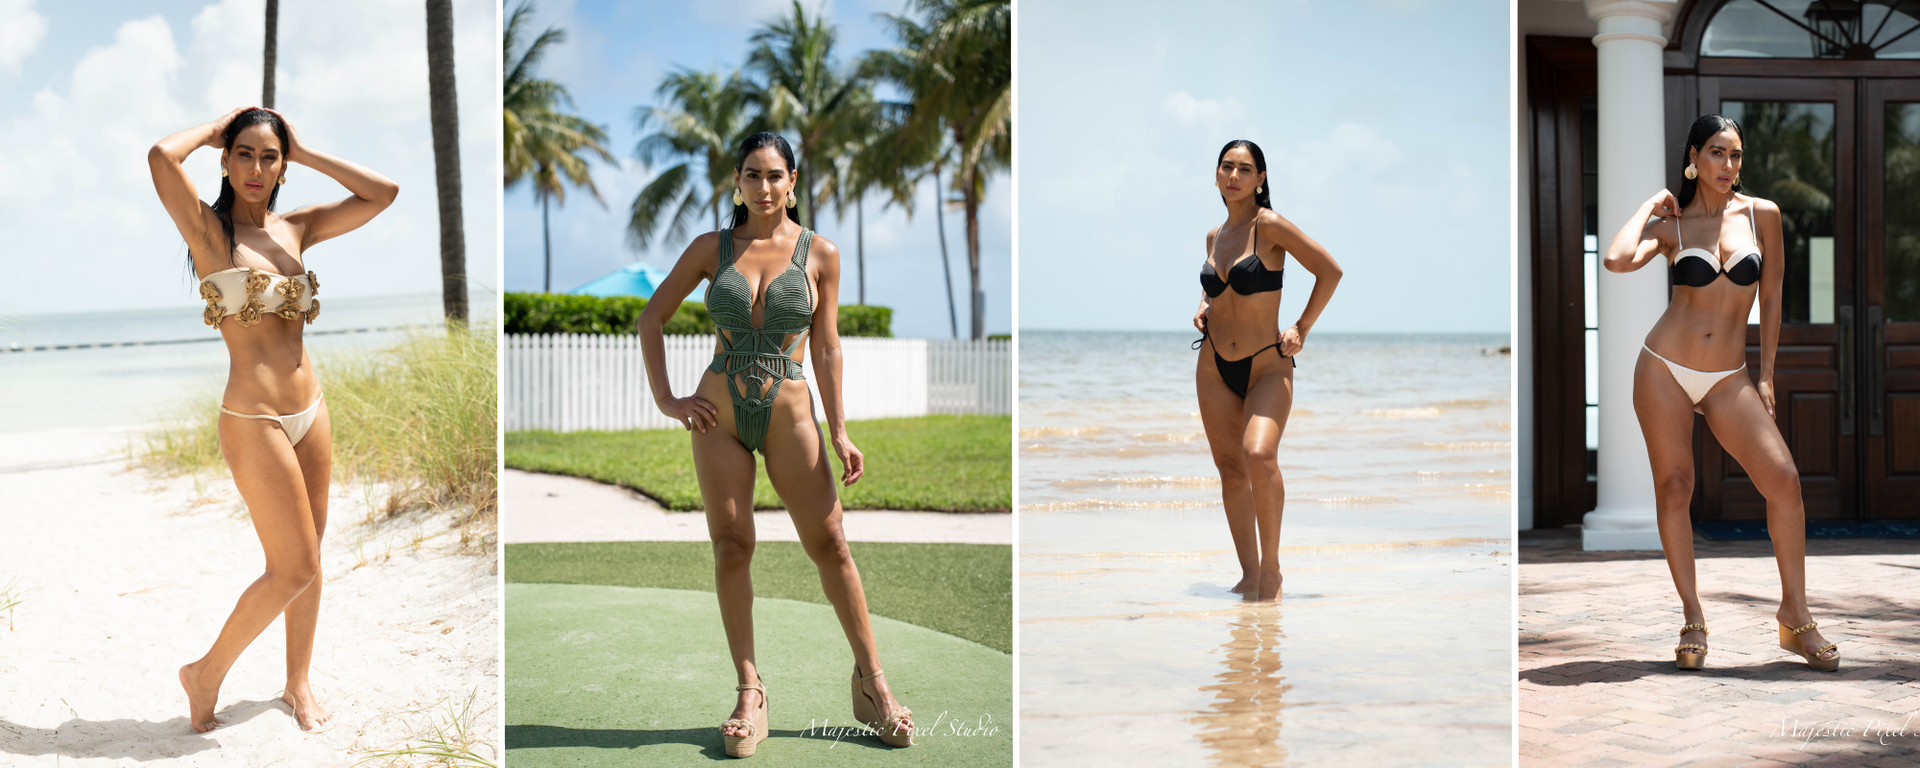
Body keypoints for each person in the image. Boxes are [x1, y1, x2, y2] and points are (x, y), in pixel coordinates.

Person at [638, 132, 914, 756]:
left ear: (794, 181)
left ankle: (873, 685)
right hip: (720, 419)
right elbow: (650, 317)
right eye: (752, 176)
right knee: (732, 546)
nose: (764, 188)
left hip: (791, 416)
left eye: (775, 176)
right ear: (736, 182)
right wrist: (668, 398)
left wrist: (839, 430)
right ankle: (749, 690)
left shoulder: (821, 254)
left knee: (831, 544)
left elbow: (826, 345)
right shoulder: (712, 247)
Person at [149, 106, 400, 731]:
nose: (256, 168)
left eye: (268, 156)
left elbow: (384, 193)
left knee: (312, 553)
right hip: (253, 416)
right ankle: (203, 673)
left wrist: (303, 148)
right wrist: (213, 130)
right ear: (226, 162)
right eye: (243, 154)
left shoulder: (297, 228)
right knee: (294, 565)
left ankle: (297, 683)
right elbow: (159, 157)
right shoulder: (209, 233)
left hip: (311, 410)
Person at [1602, 113, 1838, 672]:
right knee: (1675, 488)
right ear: (1693, 157)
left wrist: (1767, 374)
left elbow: (1773, 297)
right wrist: (1648, 207)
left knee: (1783, 480)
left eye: (1735, 155)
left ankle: (1795, 615)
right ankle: (1692, 616)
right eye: (1716, 153)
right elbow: (1614, 259)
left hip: (1729, 374)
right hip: (1663, 368)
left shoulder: (1762, 215)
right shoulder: (1673, 227)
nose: (1728, 165)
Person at [1192, 139, 1343, 602]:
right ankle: (1249, 572)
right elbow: (1217, 291)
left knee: (1259, 456)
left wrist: (1302, 326)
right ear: (1216, 175)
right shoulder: (1215, 237)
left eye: (1244, 169)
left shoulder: (1269, 226)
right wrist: (1202, 305)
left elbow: (1330, 271)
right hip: (1213, 365)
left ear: (1260, 179)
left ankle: (1272, 571)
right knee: (1229, 468)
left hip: (1266, 367)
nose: (1234, 176)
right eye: (1226, 167)